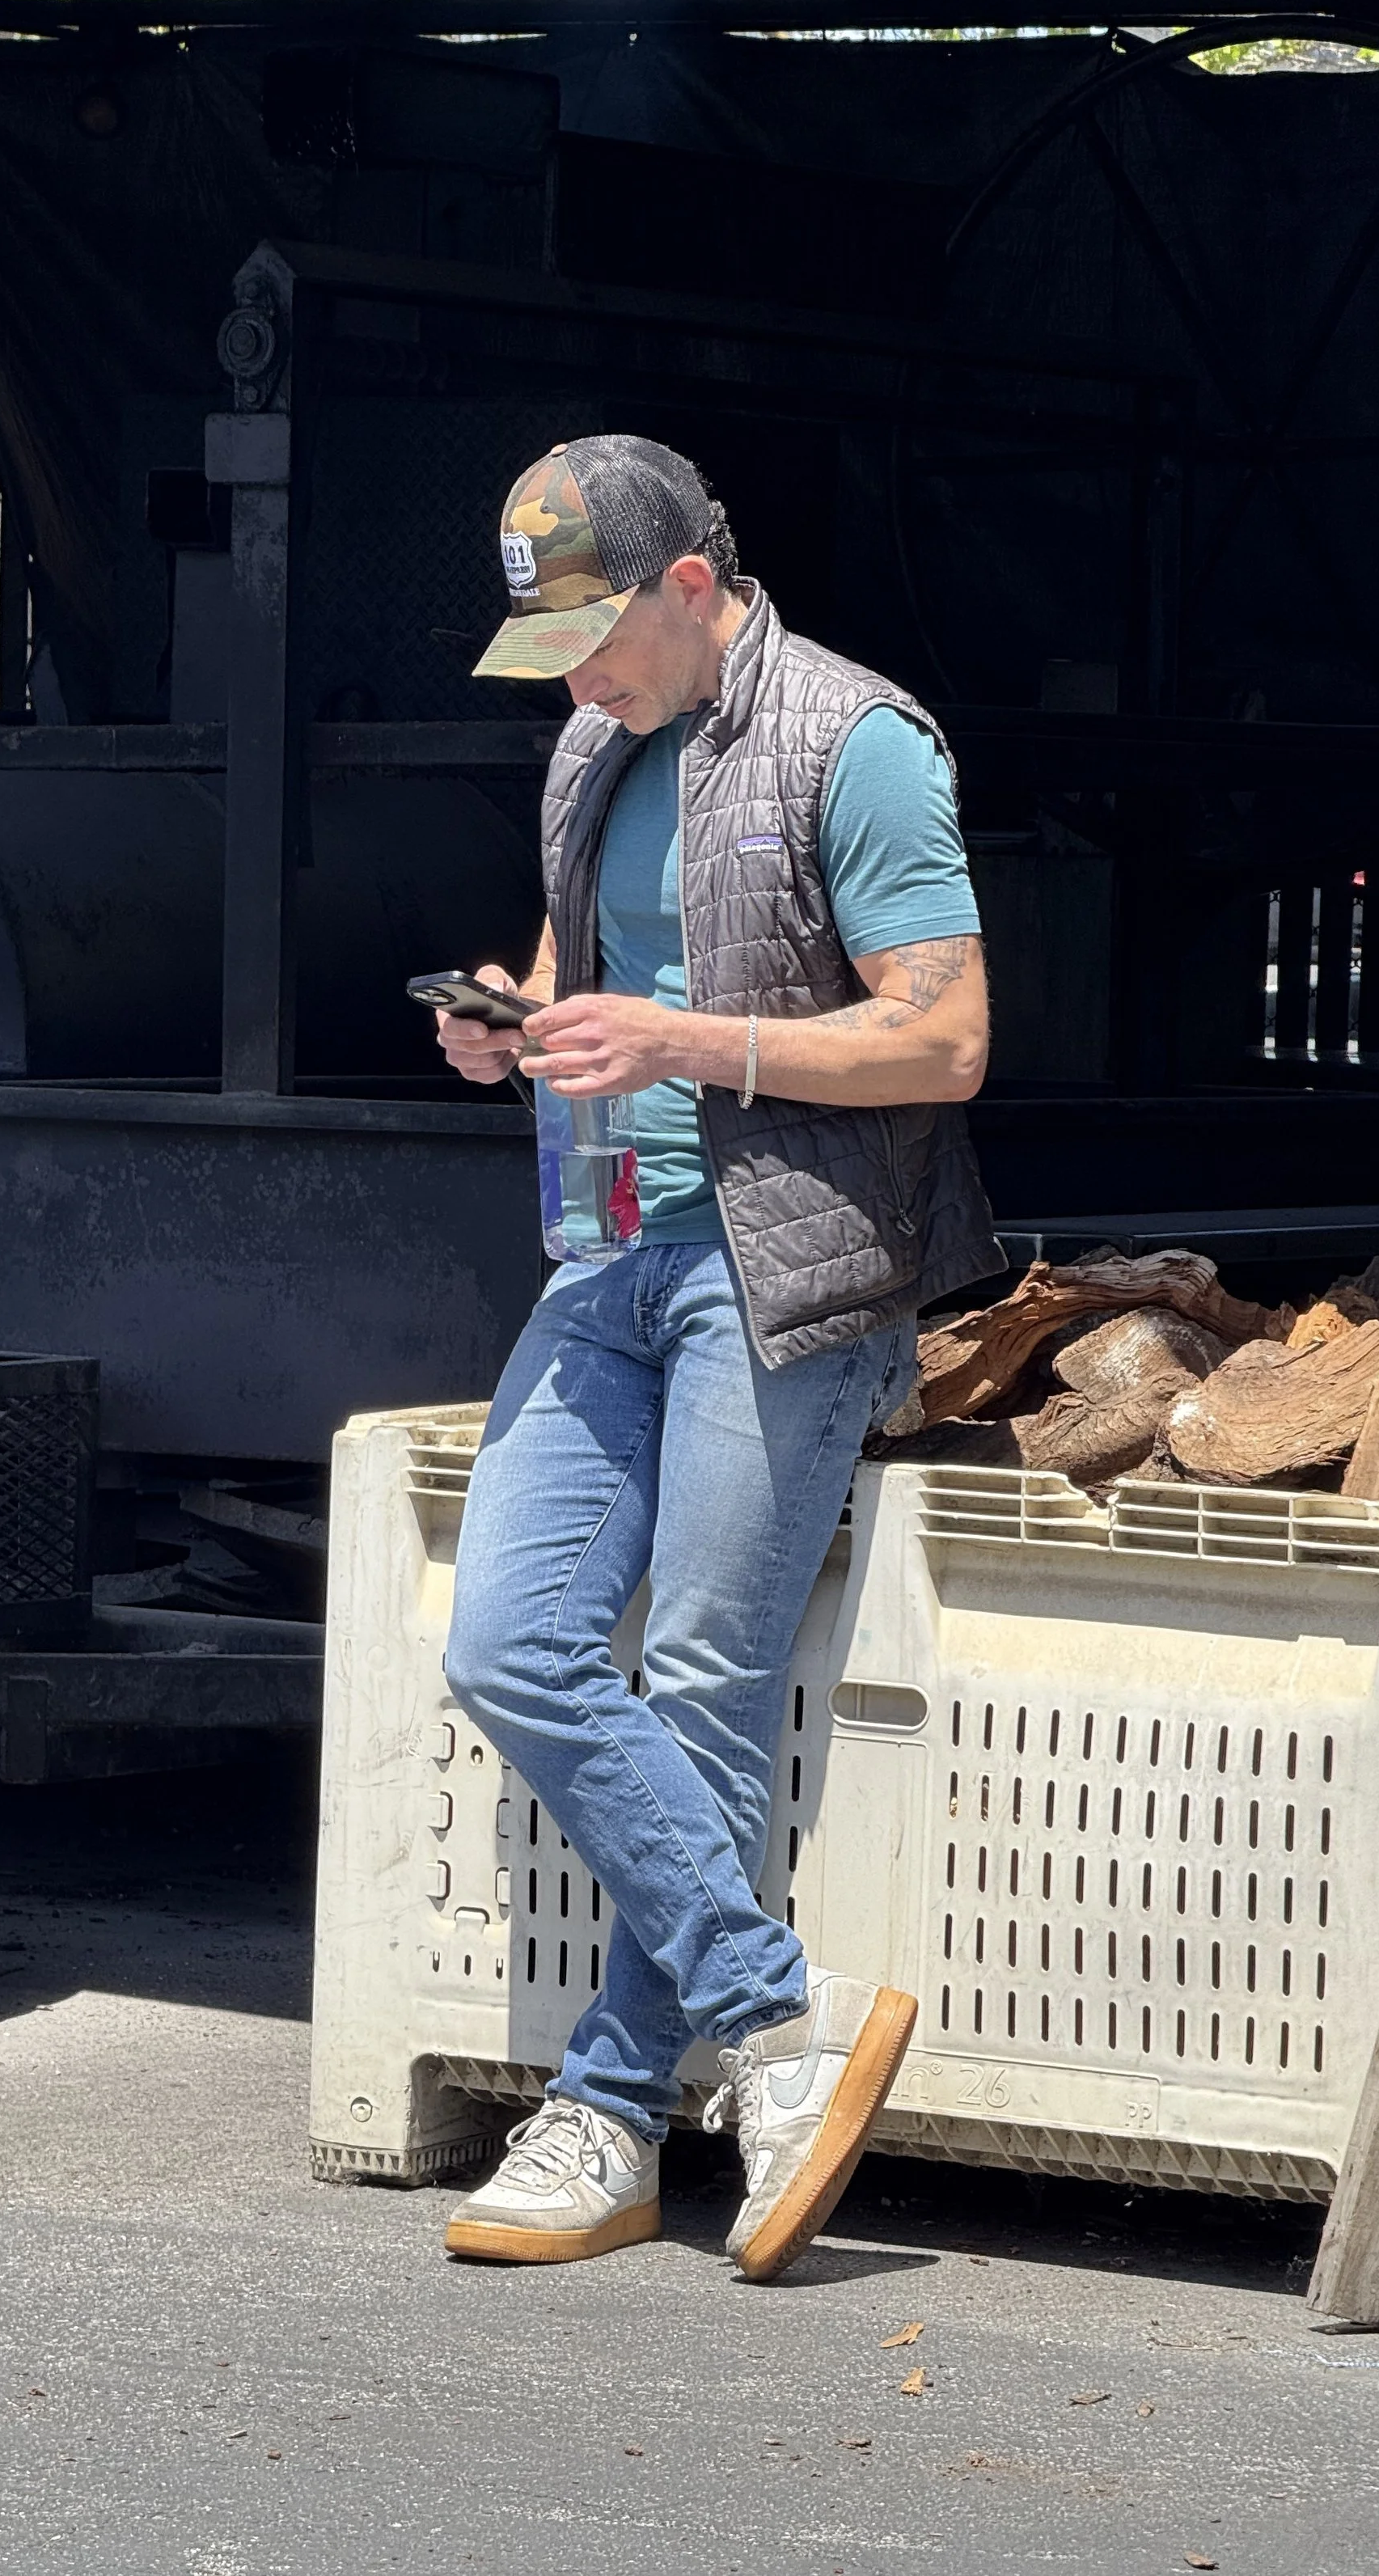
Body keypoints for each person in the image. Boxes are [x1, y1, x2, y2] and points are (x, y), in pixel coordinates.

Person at [434, 435, 1000, 2282]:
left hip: (786, 1273)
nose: (577, 688)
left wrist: (689, 1043)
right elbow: (583, 963)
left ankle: (606, 2117)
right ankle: (775, 2016)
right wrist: (517, 1021)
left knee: (697, 1679)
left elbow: (945, 1043)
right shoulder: (596, 744)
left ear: (692, 586)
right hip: (603, 1256)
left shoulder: (858, 741)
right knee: (505, 1642)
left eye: (597, 644)